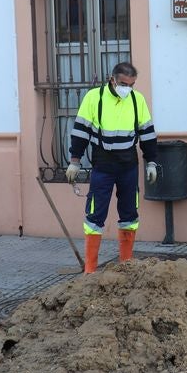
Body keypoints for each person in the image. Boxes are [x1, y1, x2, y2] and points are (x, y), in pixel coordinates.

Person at [67, 62, 159, 273]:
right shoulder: (94, 98)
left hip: (128, 166)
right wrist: (74, 161)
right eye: (124, 84)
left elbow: (147, 133)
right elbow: (80, 131)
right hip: (103, 165)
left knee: (129, 215)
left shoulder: (137, 100)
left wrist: (151, 161)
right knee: (95, 215)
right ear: (112, 80)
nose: (128, 88)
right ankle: (90, 270)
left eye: (132, 84)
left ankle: (126, 265)